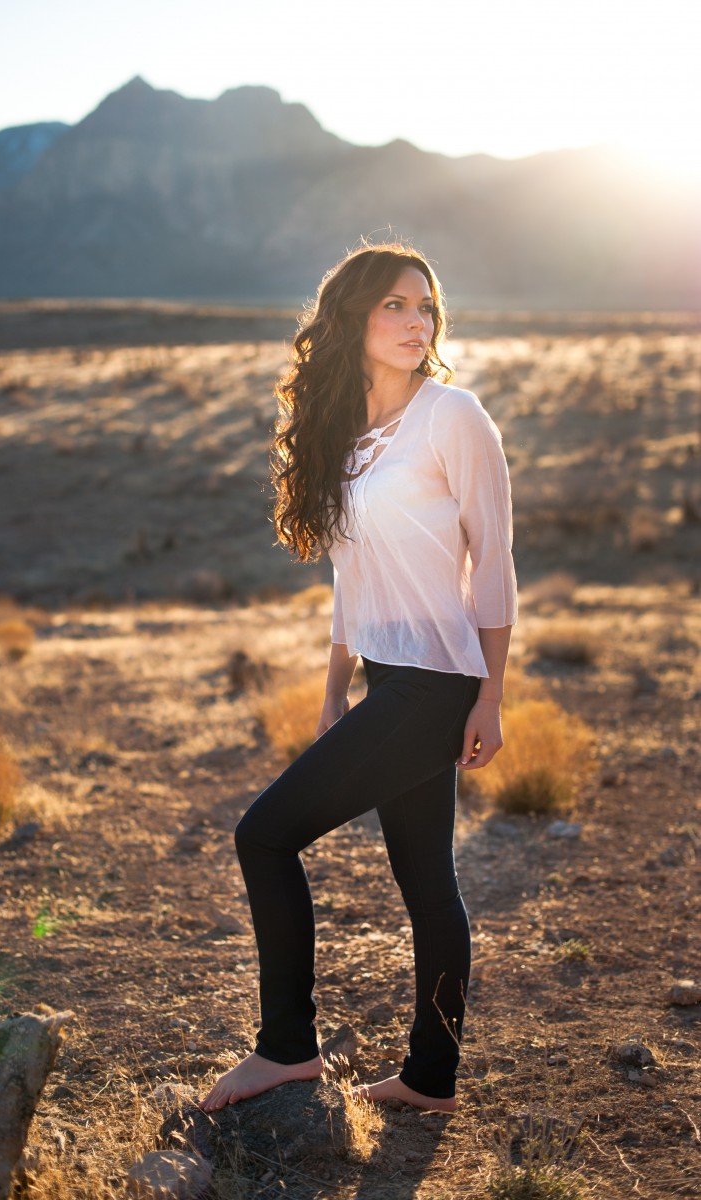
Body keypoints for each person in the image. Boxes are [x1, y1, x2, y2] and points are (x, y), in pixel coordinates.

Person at [199, 242, 517, 1115]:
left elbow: (494, 563)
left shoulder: (454, 416)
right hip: (388, 678)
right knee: (427, 883)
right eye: (395, 306)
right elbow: (355, 575)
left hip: (437, 683)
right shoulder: (348, 436)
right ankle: (429, 1079)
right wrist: (337, 685)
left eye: (426, 309)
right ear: (353, 318)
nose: (417, 323)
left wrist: (490, 693)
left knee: (263, 837)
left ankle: (286, 1050)